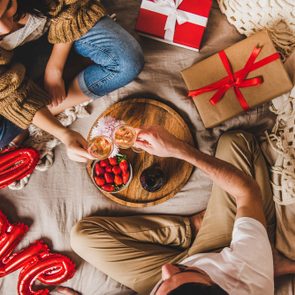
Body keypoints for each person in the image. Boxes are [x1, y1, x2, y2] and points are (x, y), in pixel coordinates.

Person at [70, 126, 295, 295]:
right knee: (235, 141)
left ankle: (192, 239)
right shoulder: (247, 275)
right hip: (222, 248)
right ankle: (198, 227)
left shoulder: (169, 273)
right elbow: (247, 191)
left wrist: (172, 279)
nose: (166, 269)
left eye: (162, 285)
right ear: (215, 284)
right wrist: (179, 150)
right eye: (179, 273)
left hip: (205, 263)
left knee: (82, 237)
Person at [0, 0, 144, 162]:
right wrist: (64, 134)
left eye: (8, 7)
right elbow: (7, 95)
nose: (5, 27)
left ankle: (38, 110)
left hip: (64, 25)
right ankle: (41, 110)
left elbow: (71, 5)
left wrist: (55, 68)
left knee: (128, 63)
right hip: (13, 67)